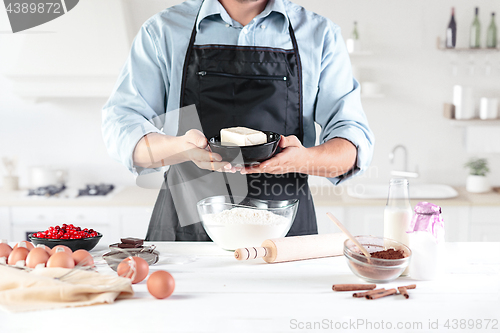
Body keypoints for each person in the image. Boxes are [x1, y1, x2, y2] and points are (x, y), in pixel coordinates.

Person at [102, 0, 374, 241]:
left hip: (284, 235)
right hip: (186, 235)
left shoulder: (319, 35)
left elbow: (351, 147)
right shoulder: (164, 30)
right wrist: (181, 148)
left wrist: (300, 160)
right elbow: (121, 128)